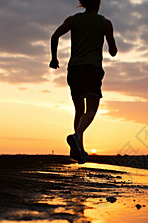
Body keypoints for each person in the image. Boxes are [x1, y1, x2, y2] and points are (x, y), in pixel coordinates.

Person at [49, 0, 117, 164]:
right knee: (91, 110)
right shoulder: (104, 23)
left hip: (74, 69)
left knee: (79, 111)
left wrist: (54, 58)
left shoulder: (73, 20)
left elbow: (55, 36)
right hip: (92, 69)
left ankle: (80, 151)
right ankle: (77, 137)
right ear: (98, 3)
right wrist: (109, 43)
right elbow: (113, 51)